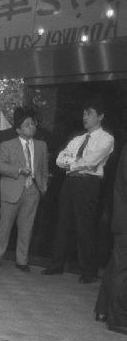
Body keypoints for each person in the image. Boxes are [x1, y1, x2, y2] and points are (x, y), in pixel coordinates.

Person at [44, 99, 115, 283]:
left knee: (85, 225)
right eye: (84, 113)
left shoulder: (107, 139)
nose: (85, 117)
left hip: (88, 184)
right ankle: (56, 264)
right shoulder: (77, 139)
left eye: (89, 113)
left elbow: (92, 161)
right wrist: (76, 163)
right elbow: (60, 159)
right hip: (70, 182)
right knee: (63, 222)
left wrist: (73, 162)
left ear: (100, 116)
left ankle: (87, 271)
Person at [0, 108, 48, 272]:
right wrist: (19, 170)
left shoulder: (41, 145)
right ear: (18, 130)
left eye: (32, 124)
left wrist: (43, 187)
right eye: (27, 124)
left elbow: (43, 169)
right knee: (4, 226)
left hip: (32, 191)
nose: (31, 126)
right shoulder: (7, 145)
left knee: (26, 227)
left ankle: (22, 261)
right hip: (11, 190)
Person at [95, 143, 127, 335]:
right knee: (122, 269)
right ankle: (119, 318)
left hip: (122, 218)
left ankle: (103, 309)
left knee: (116, 265)